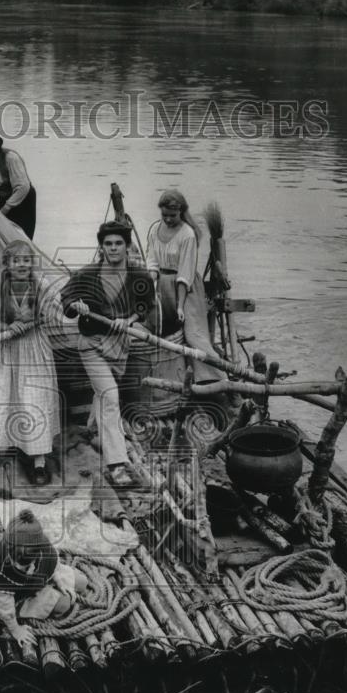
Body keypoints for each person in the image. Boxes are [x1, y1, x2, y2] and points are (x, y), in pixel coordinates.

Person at [61, 221, 154, 490]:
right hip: (91, 342)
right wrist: (75, 305)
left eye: (118, 244)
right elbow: (66, 298)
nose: (113, 248)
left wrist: (130, 320)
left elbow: (145, 305)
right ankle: (117, 466)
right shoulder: (88, 274)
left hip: (120, 344)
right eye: (108, 244)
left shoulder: (139, 275)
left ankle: (92, 427)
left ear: (127, 246)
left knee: (103, 394)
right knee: (110, 396)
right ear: (101, 247)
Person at [0, 240, 62, 486]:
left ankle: (39, 460)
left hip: (34, 349)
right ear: (7, 263)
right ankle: (13, 446)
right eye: (16, 260)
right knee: (7, 396)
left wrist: (43, 315)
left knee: (34, 399)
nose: (22, 265)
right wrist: (7, 327)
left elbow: (55, 311)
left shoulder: (42, 286)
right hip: (7, 350)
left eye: (26, 260)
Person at [146, 189, 224, 383]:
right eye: (165, 215)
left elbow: (184, 274)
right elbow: (152, 262)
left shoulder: (187, 234)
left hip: (185, 289)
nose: (168, 220)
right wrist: (151, 286)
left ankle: (218, 378)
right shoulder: (155, 229)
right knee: (161, 329)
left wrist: (180, 306)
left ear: (181, 212)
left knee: (192, 335)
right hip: (162, 285)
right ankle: (178, 376)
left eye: (173, 216)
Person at [0, 509, 88, 649]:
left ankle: (51, 590)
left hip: (36, 581)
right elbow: (4, 605)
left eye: (23, 564)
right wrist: (16, 630)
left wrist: (60, 582)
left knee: (82, 582)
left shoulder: (43, 546)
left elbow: (50, 566)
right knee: (64, 604)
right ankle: (30, 611)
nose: (17, 567)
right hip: (17, 596)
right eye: (16, 562)